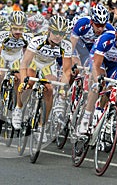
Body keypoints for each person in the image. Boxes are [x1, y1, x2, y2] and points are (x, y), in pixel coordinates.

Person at [11, 15, 72, 143]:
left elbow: (66, 70)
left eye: (61, 33)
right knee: (30, 83)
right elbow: (24, 64)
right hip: (33, 62)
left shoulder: (66, 45)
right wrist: (23, 81)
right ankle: (19, 108)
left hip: (48, 65)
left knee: (49, 89)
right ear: (49, 30)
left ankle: (41, 126)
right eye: (55, 32)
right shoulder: (38, 40)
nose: (58, 36)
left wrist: (62, 89)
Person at [78, 15, 117, 134]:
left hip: (115, 64)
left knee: (112, 88)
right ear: (116, 34)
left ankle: (100, 110)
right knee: (98, 85)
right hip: (99, 60)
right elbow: (96, 65)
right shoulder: (106, 39)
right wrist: (97, 81)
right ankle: (86, 118)